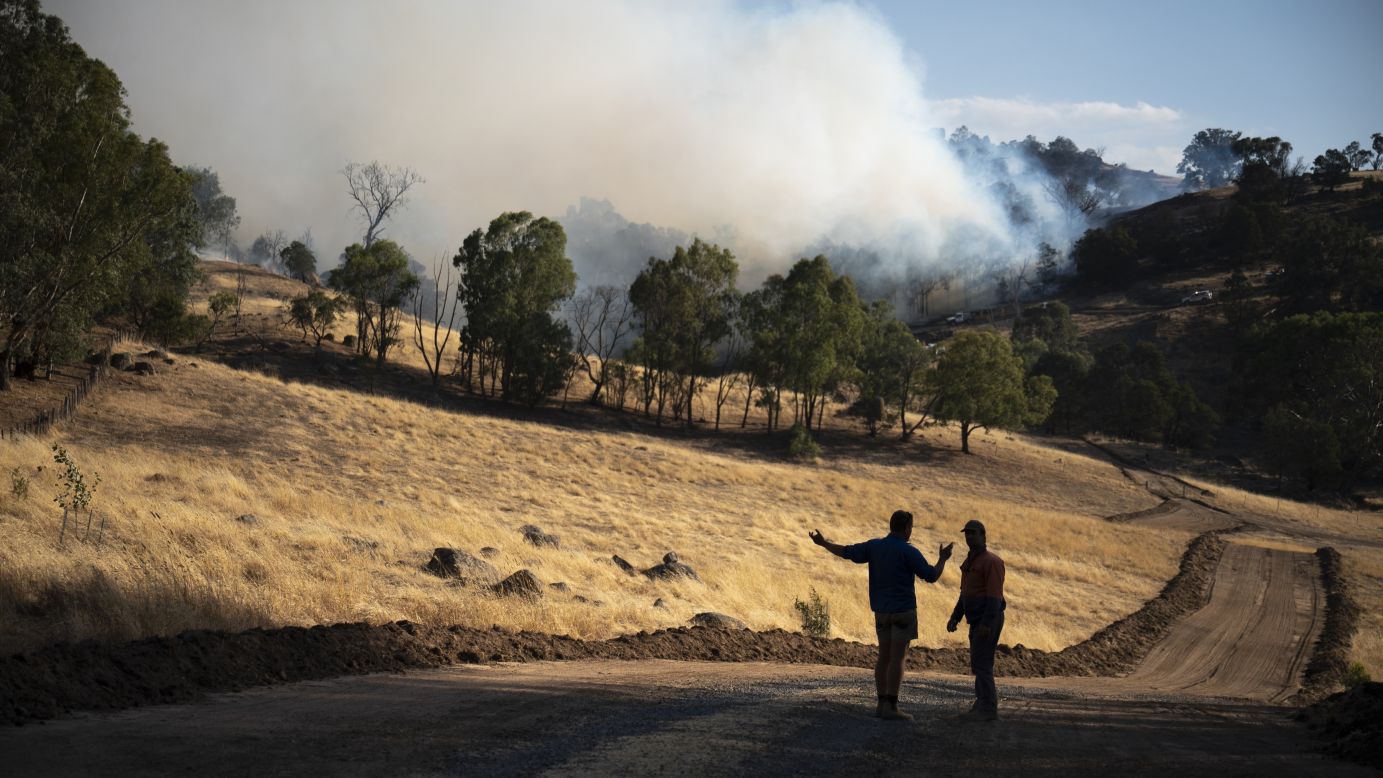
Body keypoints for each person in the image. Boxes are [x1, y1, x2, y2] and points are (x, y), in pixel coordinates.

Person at [809, 510, 953, 721]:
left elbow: (847, 552)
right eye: (910, 528)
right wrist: (942, 559)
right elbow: (931, 576)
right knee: (898, 658)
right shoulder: (908, 551)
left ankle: (881, 704)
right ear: (906, 529)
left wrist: (823, 543)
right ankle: (891, 707)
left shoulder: (874, 546)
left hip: (881, 612)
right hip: (903, 612)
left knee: (883, 657)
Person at [947, 519, 1006, 721]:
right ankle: (982, 702)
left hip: (987, 619)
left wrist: (987, 624)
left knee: (982, 663)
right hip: (977, 620)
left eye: (973, 533)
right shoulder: (971, 561)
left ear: (983, 536)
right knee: (978, 662)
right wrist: (955, 617)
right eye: (967, 533)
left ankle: (988, 708)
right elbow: (965, 593)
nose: (969, 537)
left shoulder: (992, 562)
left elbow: (995, 598)